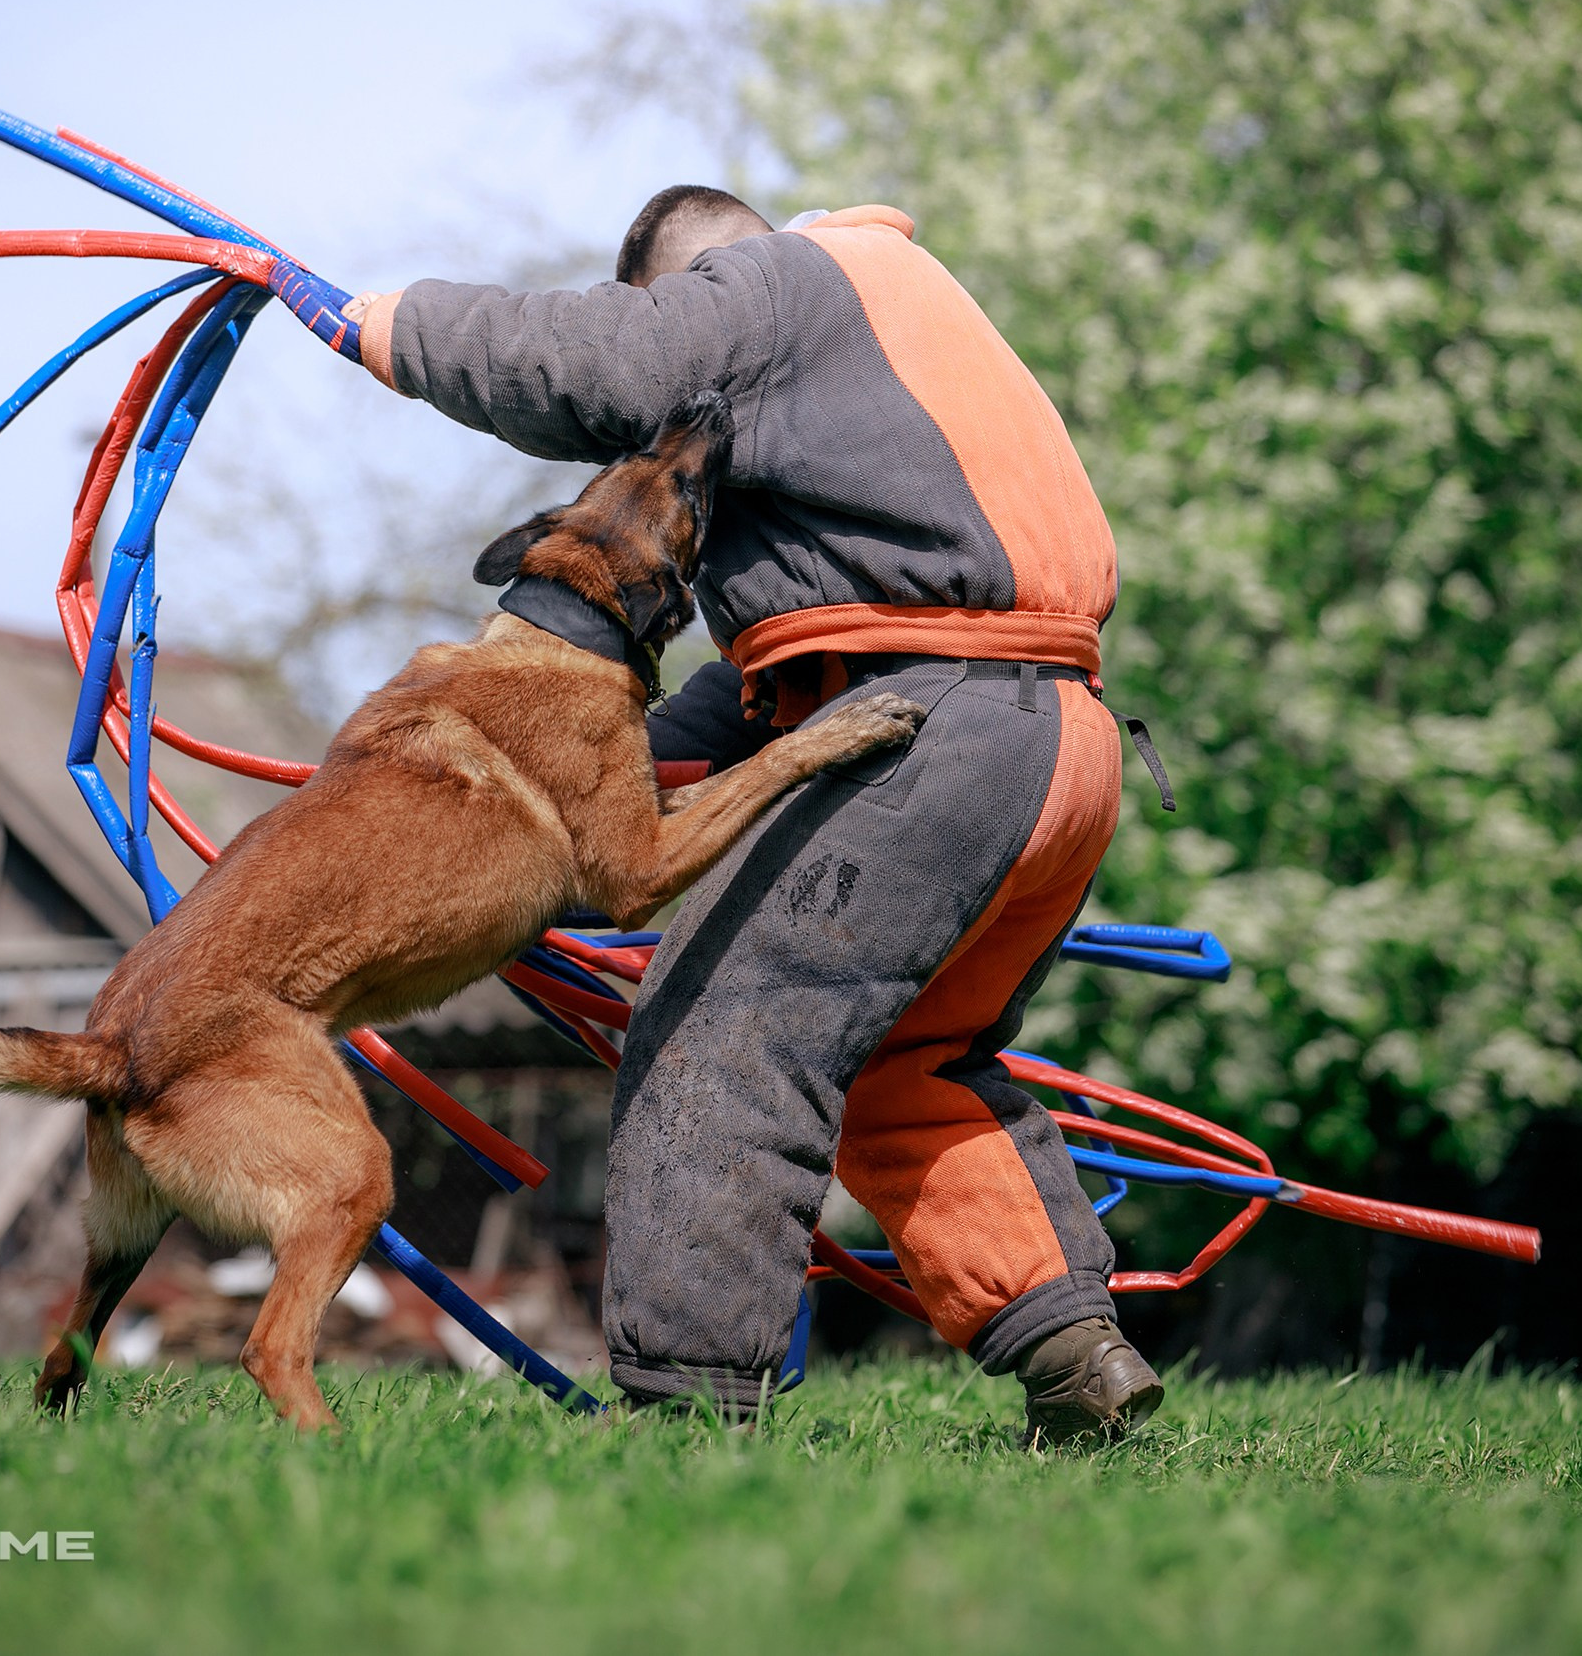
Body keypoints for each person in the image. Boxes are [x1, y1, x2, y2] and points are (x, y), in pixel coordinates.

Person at [345, 184, 1160, 1442]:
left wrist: (374, 322)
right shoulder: (896, 334)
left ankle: (685, 1411)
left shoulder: (782, 288)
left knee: (721, 1027)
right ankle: (1076, 1357)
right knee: (903, 1066)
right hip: (1049, 741)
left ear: (693, 287)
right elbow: (776, 683)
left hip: (931, 732)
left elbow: (601, 367)